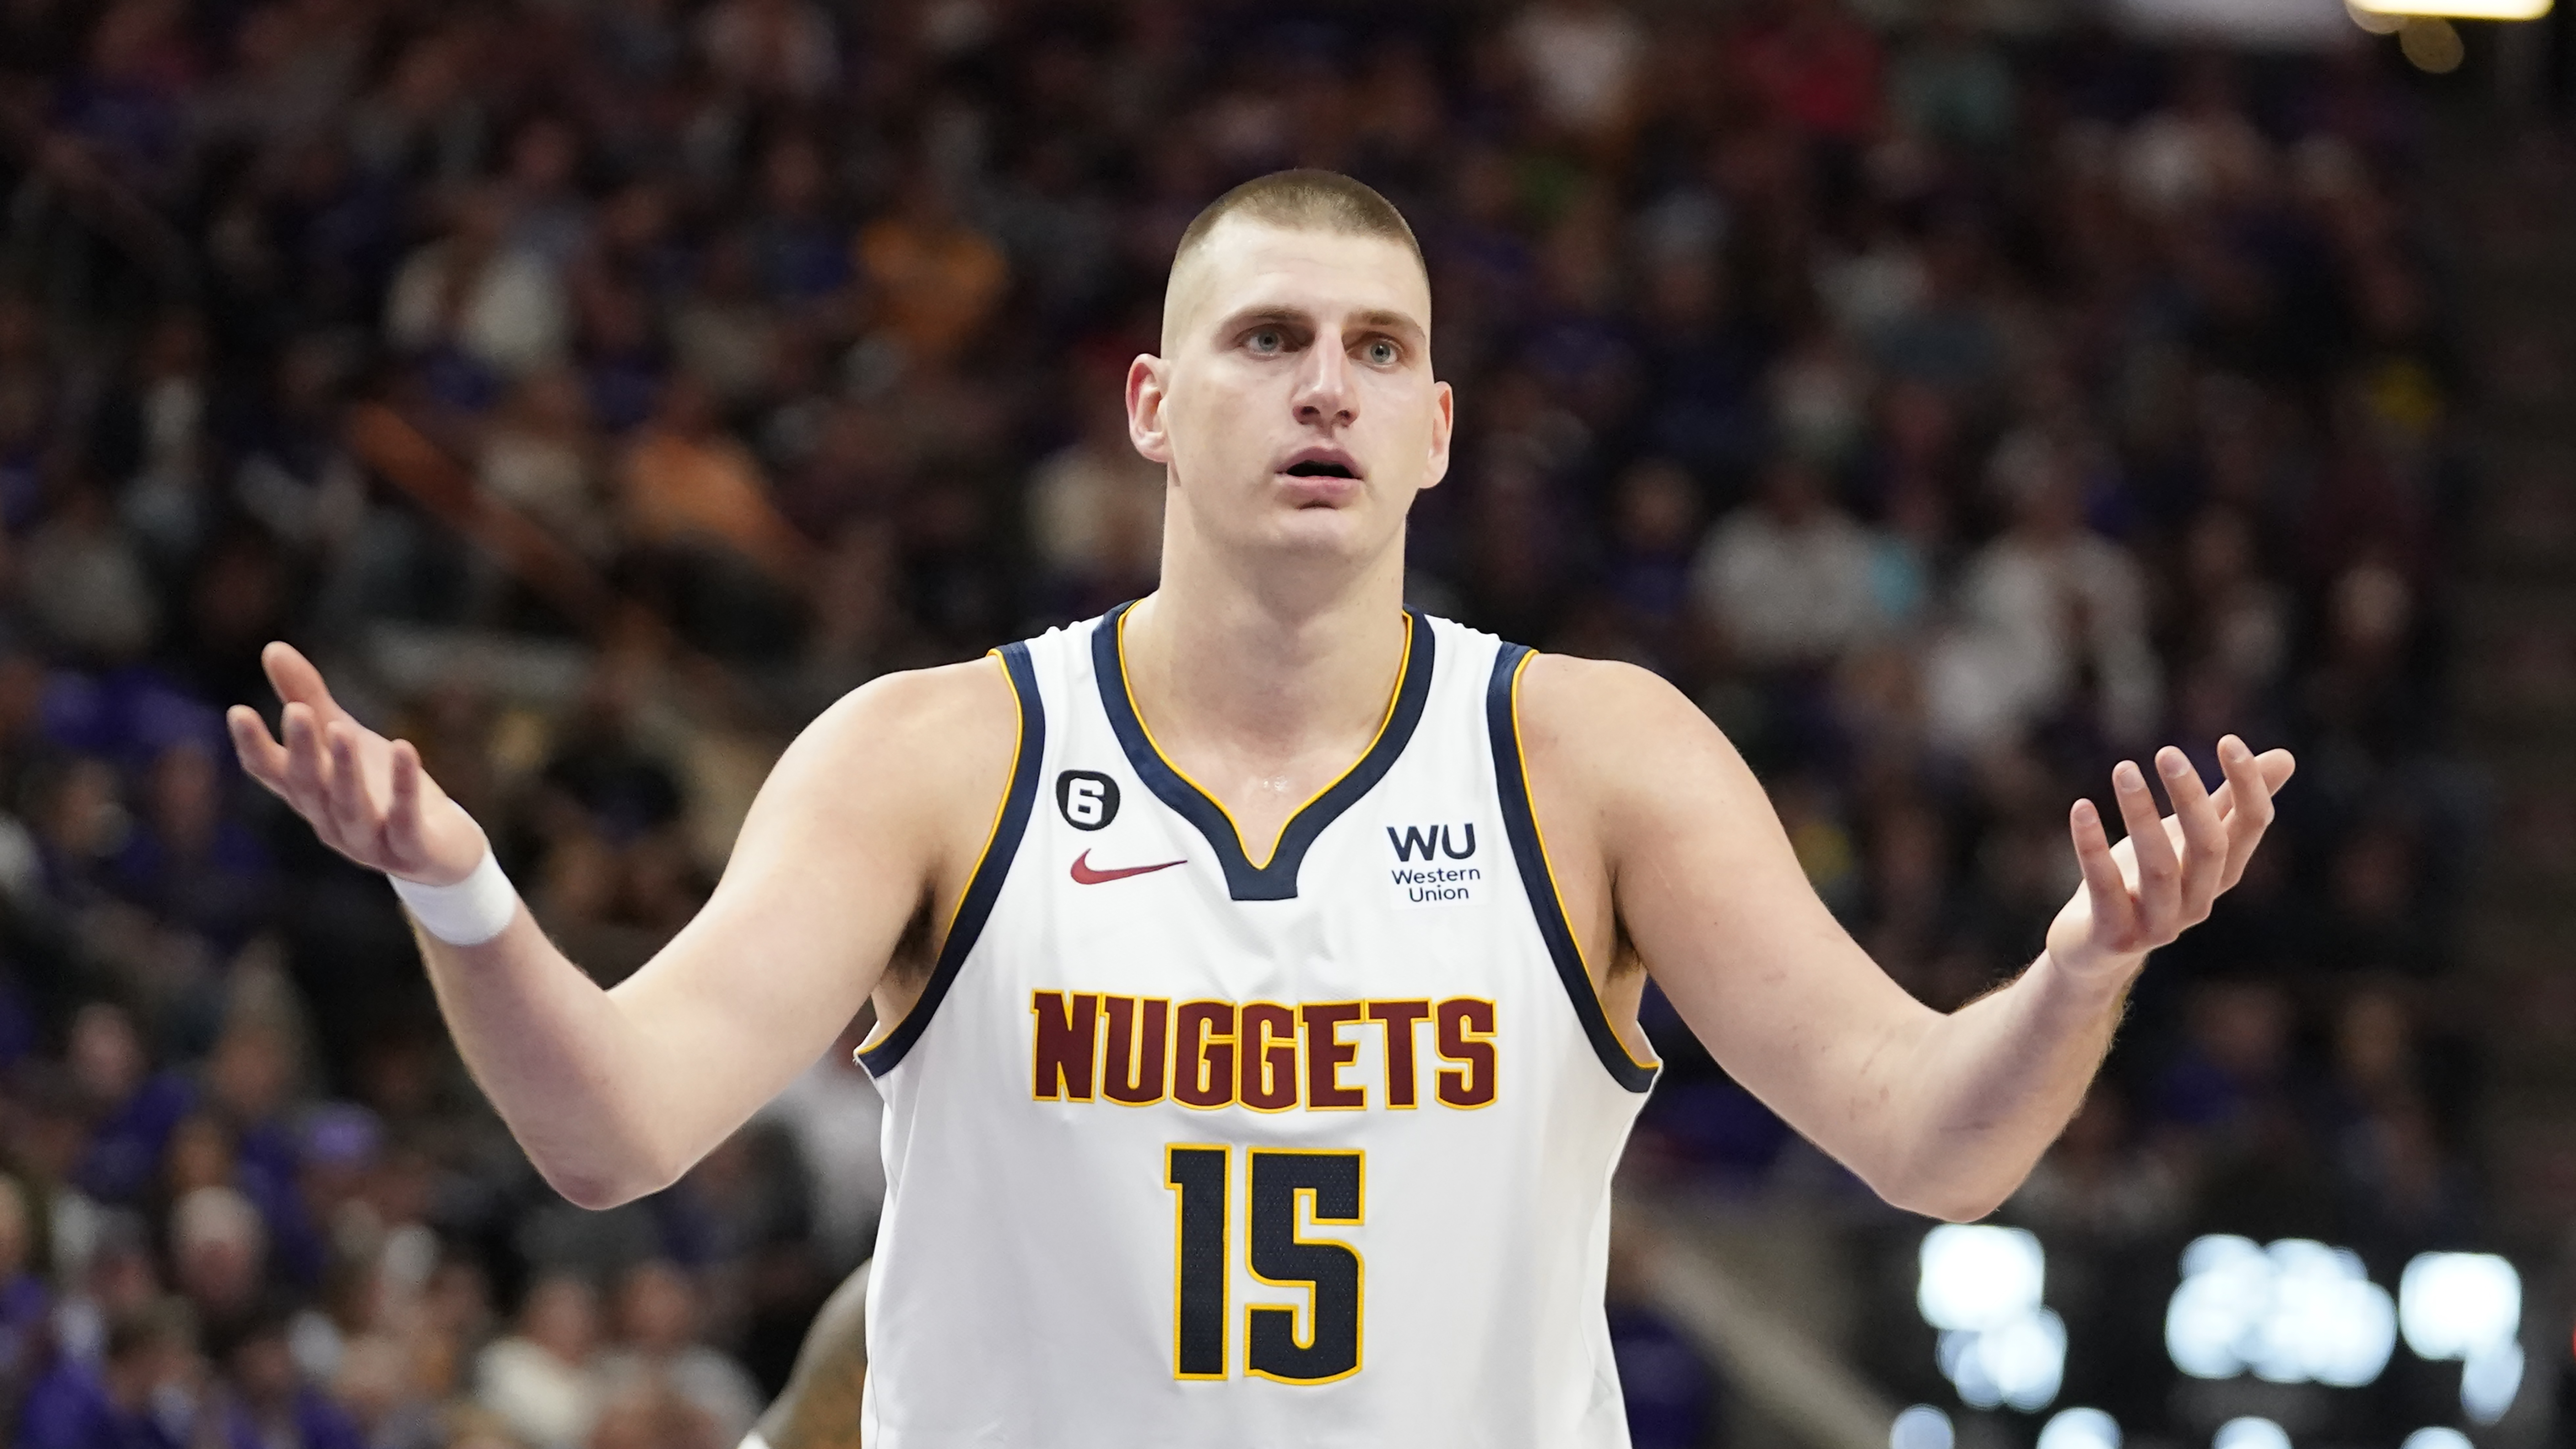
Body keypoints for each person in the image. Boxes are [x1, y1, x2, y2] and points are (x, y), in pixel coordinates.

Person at [226, 170, 2292, 1447]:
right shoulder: (933, 753)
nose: (1325, 385)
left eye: (1378, 348)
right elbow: (612, 1132)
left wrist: (2080, 961)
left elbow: (1932, 1139)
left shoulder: (1599, 758)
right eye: (1270, 338)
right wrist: (466, 889)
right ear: (1154, 402)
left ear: (1439, 428)